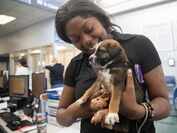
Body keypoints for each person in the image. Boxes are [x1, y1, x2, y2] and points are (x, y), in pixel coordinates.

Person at [55, 0, 170, 133]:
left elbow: (164, 104)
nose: (86, 40)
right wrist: (77, 110)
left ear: (103, 20)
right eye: (75, 39)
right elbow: (61, 117)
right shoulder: (75, 65)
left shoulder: (139, 45)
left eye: (89, 29)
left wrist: (137, 111)